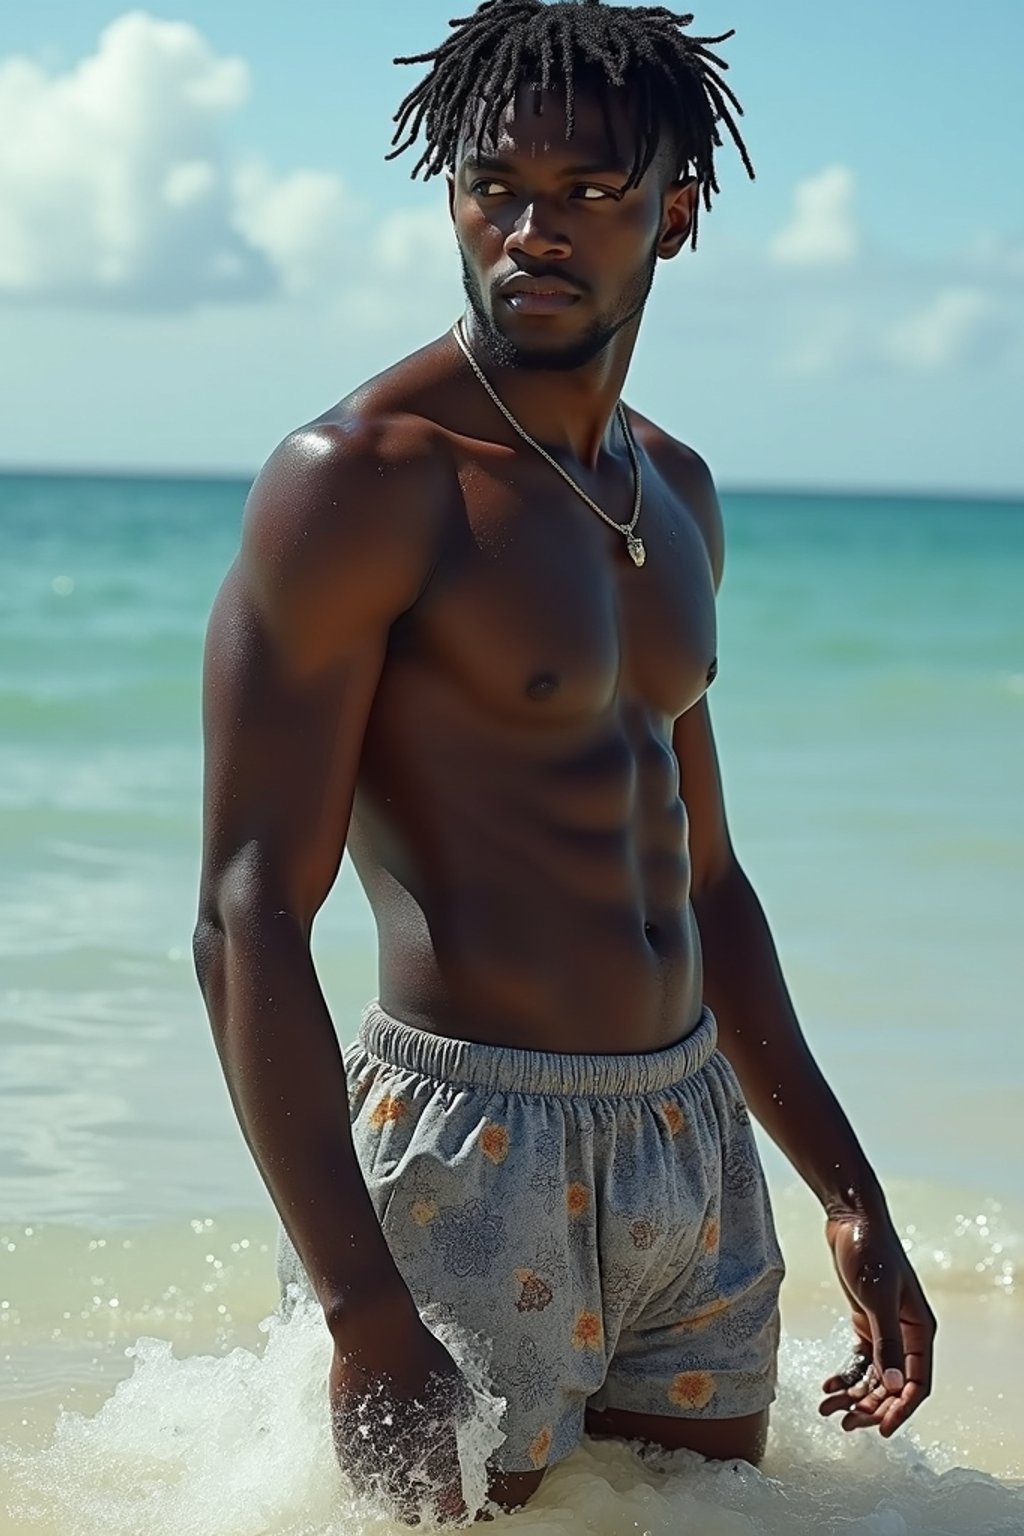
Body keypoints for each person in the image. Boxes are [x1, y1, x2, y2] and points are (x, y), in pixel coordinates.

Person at [193, 0, 936, 1521]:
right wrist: (360, 1309)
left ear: (673, 217)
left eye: (589, 192)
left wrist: (850, 1199)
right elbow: (247, 908)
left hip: (692, 1143)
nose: (533, 228)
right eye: (494, 185)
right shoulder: (359, 483)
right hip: (471, 1157)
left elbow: (704, 873)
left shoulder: (674, 492)